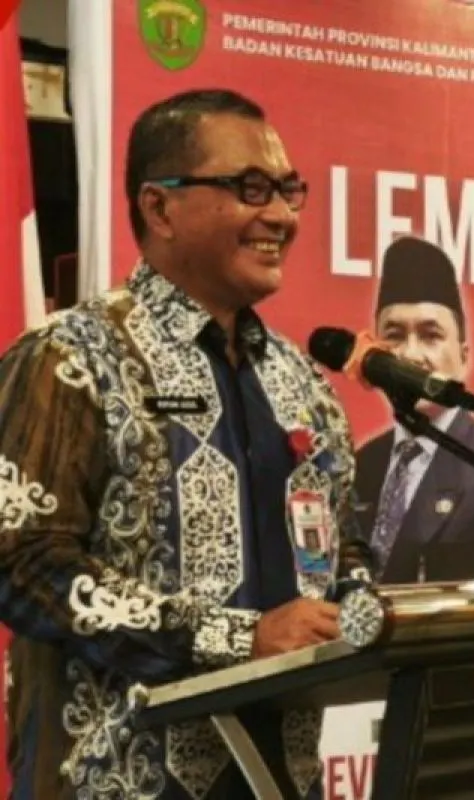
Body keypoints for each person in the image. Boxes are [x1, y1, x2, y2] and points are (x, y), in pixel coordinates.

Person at [0, 89, 372, 799]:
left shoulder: (302, 381)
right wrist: (236, 637)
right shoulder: (71, 358)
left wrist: (361, 608)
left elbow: (341, 546)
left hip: (281, 780)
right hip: (111, 781)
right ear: (160, 207)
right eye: (250, 187)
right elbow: (23, 562)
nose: (281, 215)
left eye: (288, 189)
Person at [354, 235, 474, 583]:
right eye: (394, 336)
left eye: (430, 335)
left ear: (464, 356)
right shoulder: (361, 464)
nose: (410, 355)